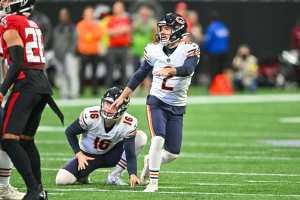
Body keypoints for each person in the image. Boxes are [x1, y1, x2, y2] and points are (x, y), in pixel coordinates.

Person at [111, 13, 200, 192]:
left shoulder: (189, 48)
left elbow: (188, 69)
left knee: (172, 153)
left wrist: (171, 70)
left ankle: (149, 161)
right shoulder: (154, 49)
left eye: (167, 28)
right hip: (156, 101)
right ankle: (153, 183)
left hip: (178, 105)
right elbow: (140, 74)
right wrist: (123, 96)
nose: (163, 32)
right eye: (162, 28)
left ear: (178, 30)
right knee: (158, 139)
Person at [0, 0, 64, 199]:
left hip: (26, 83)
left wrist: (2, 90)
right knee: (26, 141)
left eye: (8, 0)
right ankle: (39, 190)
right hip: (41, 83)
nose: (4, 3)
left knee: (9, 140)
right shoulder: (32, 23)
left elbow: (17, 61)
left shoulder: (10, 20)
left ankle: (33, 189)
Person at [56, 87, 147, 187]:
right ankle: (83, 175)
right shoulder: (91, 115)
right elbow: (70, 132)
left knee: (141, 137)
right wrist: (78, 154)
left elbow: (130, 152)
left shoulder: (128, 123)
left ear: (123, 108)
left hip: (111, 155)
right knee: (61, 179)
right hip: (87, 157)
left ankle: (114, 176)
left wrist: (132, 174)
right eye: (107, 103)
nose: (109, 107)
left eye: (114, 105)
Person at [53, 8, 79, 99]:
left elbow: (75, 41)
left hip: (69, 55)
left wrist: (69, 52)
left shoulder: (72, 28)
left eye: (64, 15)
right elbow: (55, 42)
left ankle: (74, 93)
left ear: (68, 16)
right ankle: (64, 93)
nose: (62, 17)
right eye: (61, 15)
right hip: (59, 55)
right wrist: (57, 53)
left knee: (72, 74)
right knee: (62, 75)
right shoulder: (57, 28)